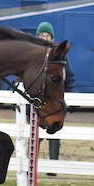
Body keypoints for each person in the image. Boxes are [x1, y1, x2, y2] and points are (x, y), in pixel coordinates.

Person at [35, 21, 76, 172]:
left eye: (47, 35)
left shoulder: (60, 54)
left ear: (52, 38)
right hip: (36, 101)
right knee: (34, 136)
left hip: (53, 101)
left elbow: (69, 76)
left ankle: (53, 167)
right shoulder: (33, 53)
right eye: (42, 35)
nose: (45, 37)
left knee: (54, 131)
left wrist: (73, 97)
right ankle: (31, 165)